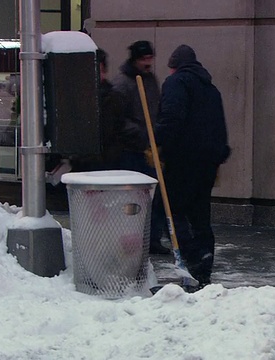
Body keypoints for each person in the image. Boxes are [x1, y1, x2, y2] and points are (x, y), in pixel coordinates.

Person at [155, 45, 231, 287]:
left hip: (182, 158)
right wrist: (219, 154)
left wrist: (158, 144)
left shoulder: (176, 83)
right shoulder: (211, 89)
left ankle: (193, 255)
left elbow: (171, 118)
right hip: (208, 162)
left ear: (173, 66)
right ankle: (205, 262)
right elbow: (219, 125)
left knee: (168, 207)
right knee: (200, 213)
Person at [112, 40, 170, 255]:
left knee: (155, 196)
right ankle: (132, 240)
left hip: (150, 148)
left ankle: (152, 239)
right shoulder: (123, 83)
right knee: (134, 198)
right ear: (135, 59)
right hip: (132, 150)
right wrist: (141, 132)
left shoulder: (150, 80)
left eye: (150, 58)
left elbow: (157, 108)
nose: (148, 63)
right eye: (144, 59)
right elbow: (119, 119)